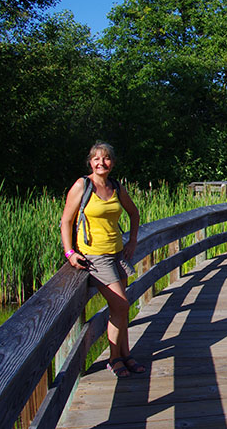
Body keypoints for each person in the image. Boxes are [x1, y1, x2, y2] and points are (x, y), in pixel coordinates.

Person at [60, 142, 145, 378]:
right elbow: (66, 220)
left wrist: (132, 241)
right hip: (95, 257)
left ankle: (125, 355)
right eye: (96, 159)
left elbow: (134, 213)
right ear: (90, 162)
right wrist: (69, 252)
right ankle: (114, 359)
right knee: (121, 305)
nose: (101, 163)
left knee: (120, 310)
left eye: (106, 159)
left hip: (117, 253)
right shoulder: (82, 185)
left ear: (112, 163)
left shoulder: (116, 187)